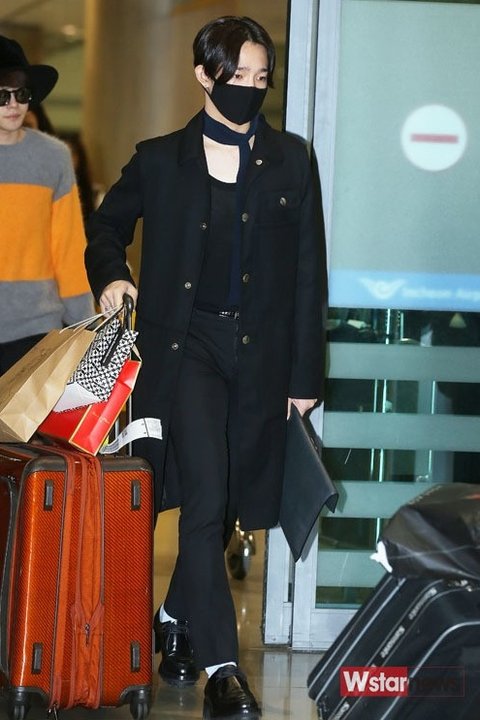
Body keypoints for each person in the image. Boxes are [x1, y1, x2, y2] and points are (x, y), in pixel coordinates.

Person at [85, 15, 327, 720]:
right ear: (204, 75)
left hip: (259, 357)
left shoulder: (292, 160)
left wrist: (304, 380)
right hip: (183, 348)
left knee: (227, 504)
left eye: (262, 77)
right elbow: (106, 225)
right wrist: (111, 273)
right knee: (205, 494)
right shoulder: (161, 159)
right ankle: (224, 669)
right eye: (238, 75)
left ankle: (173, 619)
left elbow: (308, 274)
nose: (251, 88)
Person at [0, 35, 94, 375]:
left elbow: (69, 248)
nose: (13, 104)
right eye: (2, 95)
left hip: (37, 330)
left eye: (22, 94)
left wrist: (85, 326)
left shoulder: (53, 156)